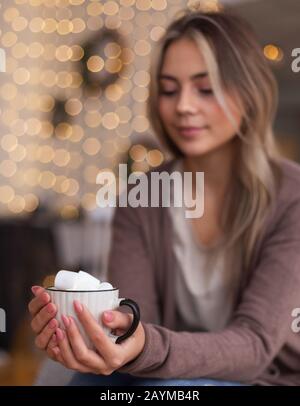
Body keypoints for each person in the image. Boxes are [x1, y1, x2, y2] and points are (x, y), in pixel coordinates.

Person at [29, 7, 300, 386]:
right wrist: (111, 333)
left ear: (249, 93)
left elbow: (254, 345)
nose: (184, 106)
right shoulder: (141, 197)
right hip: (167, 370)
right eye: (170, 90)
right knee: (62, 371)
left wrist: (144, 347)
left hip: (260, 377)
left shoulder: (292, 196)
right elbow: (141, 322)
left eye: (205, 89)